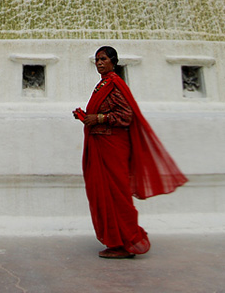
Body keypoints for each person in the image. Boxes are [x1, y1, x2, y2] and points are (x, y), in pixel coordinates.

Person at [73, 46, 187, 259]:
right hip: (103, 144)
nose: (99, 63)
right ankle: (116, 241)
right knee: (105, 192)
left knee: (118, 193)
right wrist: (86, 116)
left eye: (103, 59)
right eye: (97, 59)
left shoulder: (115, 84)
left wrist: (98, 119)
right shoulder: (103, 84)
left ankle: (129, 241)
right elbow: (105, 112)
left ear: (113, 62)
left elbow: (126, 116)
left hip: (113, 145)